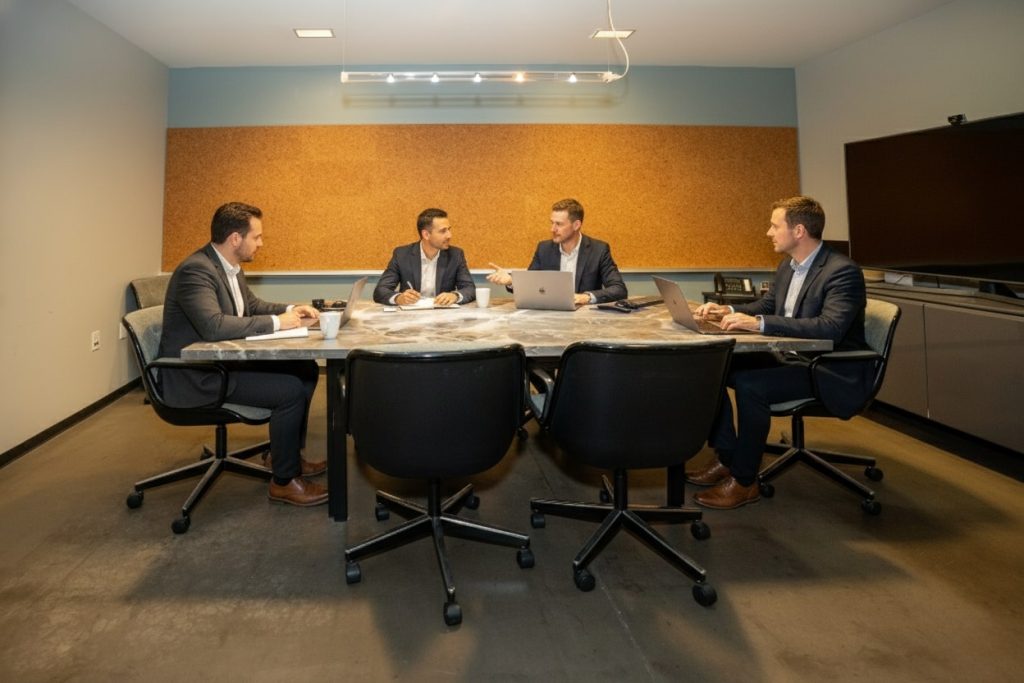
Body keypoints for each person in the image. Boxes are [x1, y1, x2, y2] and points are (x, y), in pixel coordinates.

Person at [686, 195, 868, 510]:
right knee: (712, 368)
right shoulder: (789, 265)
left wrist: (757, 323)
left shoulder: (842, 271)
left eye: (774, 226)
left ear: (798, 231)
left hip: (827, 368)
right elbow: (769, 307)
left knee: (750, 386)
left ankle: (745, 482)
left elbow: (829, 328)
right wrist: (726, 309)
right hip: (791, 357)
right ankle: (728, 458)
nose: (769, 232)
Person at [159, 202, 328, 507]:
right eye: (257, 237)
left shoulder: (230, 269)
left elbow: (251, 307)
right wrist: (279, 323)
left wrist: (291, 310)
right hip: (198, 376)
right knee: (289, 391)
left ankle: (285, 457)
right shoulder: (196, 270)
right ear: (235, 238)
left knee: (305, 369)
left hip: (223, 363)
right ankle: (283, 482)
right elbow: (213, 326)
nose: (261, 243)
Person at [486, 198, 627, 305]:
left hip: (585, 321)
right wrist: (512, 280)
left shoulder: (598, 249)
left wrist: (586, 297)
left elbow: (619, 289)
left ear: (576, 225)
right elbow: (531, 283)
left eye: (558, 224)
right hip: (550, 319)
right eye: (551, 223)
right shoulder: (544, 249)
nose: (552, 229)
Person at [373, 208, 475, 306]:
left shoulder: (455, 255)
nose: (449, 235)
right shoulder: (402, 255)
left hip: (443, 317)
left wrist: (455, 296)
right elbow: (380, 291)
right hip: (411, 318)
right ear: (426, 234)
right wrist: (398, 298)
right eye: (443, 231)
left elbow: (470, 289)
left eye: (449, 230)